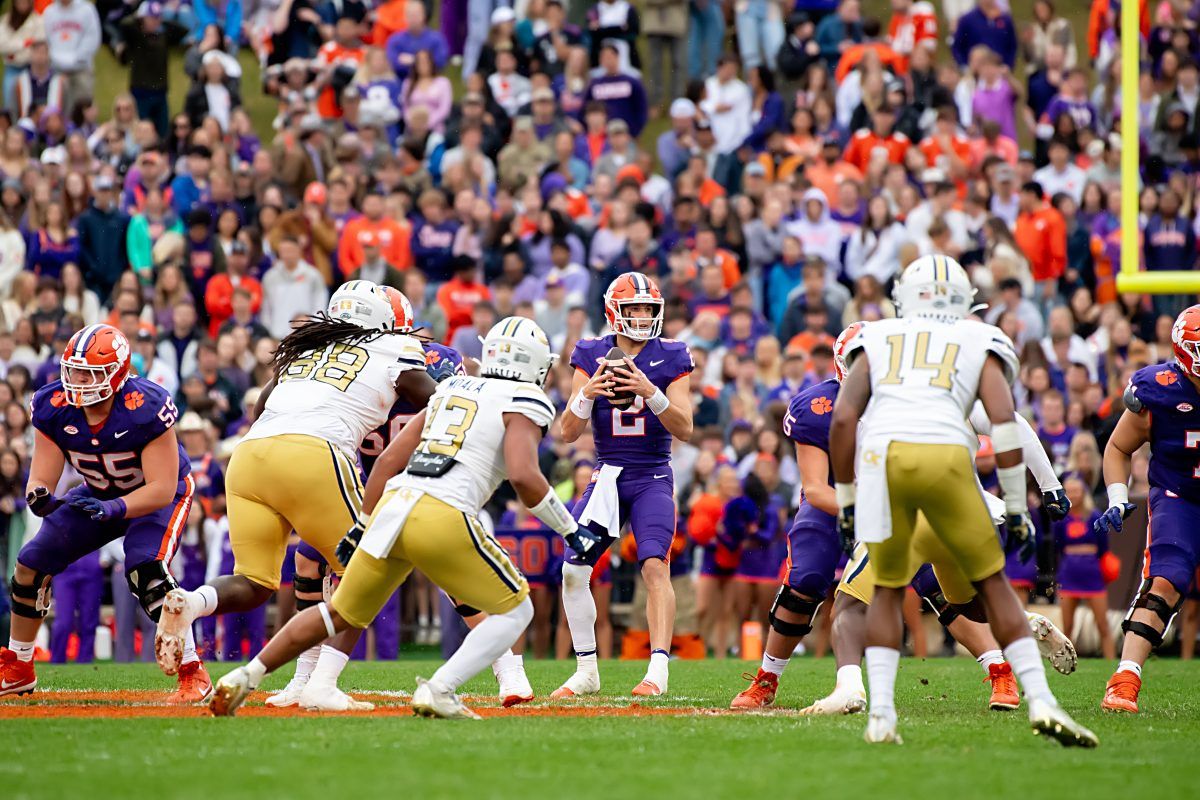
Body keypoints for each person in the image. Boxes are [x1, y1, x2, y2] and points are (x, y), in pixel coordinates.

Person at [209, 317, 590, 719]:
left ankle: (245, 675)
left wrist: (362, 524)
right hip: (442, 509)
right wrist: (570, 528)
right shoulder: (525, 399)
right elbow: (524, 476)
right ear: (537, 364)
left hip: (393, 506)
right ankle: (441, 688)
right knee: (518, 611)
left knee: (336, 611)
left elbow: (388, 461)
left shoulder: (454, 389)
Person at [829, 254, 1096, 746]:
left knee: (885, 593)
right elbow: (1006, 421)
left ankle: (882, 716)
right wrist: (1019, 502)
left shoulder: (876, 337)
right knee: (992, 591)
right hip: (950, 470)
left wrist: (847, 500)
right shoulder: (978, 338)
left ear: (903, 297)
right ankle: (1041, 700)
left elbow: (843, 420)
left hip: (889, 472)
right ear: (964, 299)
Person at [153, 282, 438, 693]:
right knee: (366, 574)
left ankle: (193, 603)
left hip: (250, 456)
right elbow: (430, 393)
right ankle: (322, 684)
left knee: (253, 583)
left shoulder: (307, 347)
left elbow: (260, 406)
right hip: (312, 453)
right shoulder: (392, 347)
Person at [0, 324, 210, 702]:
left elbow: (161, 488)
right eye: (73, 371)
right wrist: (41, 498)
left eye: (89, 373)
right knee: (30, 563)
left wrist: (114, 507)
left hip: (162, 495)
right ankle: (19, 665)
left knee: (146, 571)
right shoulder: (53, 405)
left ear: (117, 372)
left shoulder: (144, 407)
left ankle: (193, 673)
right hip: (98, 495)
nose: (78, 381)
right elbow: (40, 477)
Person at [554, 273, 695, 698]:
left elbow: (685, 427)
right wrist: (587, 394)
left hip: (652, 473)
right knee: (573, 569)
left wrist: (651, 392)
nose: (641, 315)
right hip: (608, 473)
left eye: (647, 308)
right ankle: (586, 671)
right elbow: (566, 432)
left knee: (655, 565)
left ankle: (657, 671)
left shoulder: (672, 354)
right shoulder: (591, 353)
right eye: (633, 308)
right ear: (615, 310)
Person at [1097, 304, 1200, 713]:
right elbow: (1119, 447)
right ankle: (1125, 678)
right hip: (1181, 496)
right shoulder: (1158, 391)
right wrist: (1119, 495)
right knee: (1167, 577)